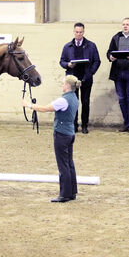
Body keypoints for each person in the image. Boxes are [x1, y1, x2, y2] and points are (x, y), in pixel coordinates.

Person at [22, 75, 80, 203]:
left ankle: (64, 194)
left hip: (62, 134)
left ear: (67, 86)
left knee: (63, 165)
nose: (62, 85)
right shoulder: (75, 98)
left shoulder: (63, 100)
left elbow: (45, 108)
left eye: (63, 83)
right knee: (69, 163)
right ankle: (72, 192)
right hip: (70, 133)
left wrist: (29, 106)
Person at [60, 22, 101, 134]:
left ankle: (84, 125)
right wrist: (68, 65)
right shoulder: (67, 46)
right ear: (74, 32)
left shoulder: (91, 46)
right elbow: (62, 61)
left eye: (81, 32)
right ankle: (74, 125)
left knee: (85, 102)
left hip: (86, 78)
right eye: (77, 32)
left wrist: (91, 72)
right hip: (72, 79)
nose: (79, 34)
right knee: (73, 103)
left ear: (84, 32)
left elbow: (97, 61)